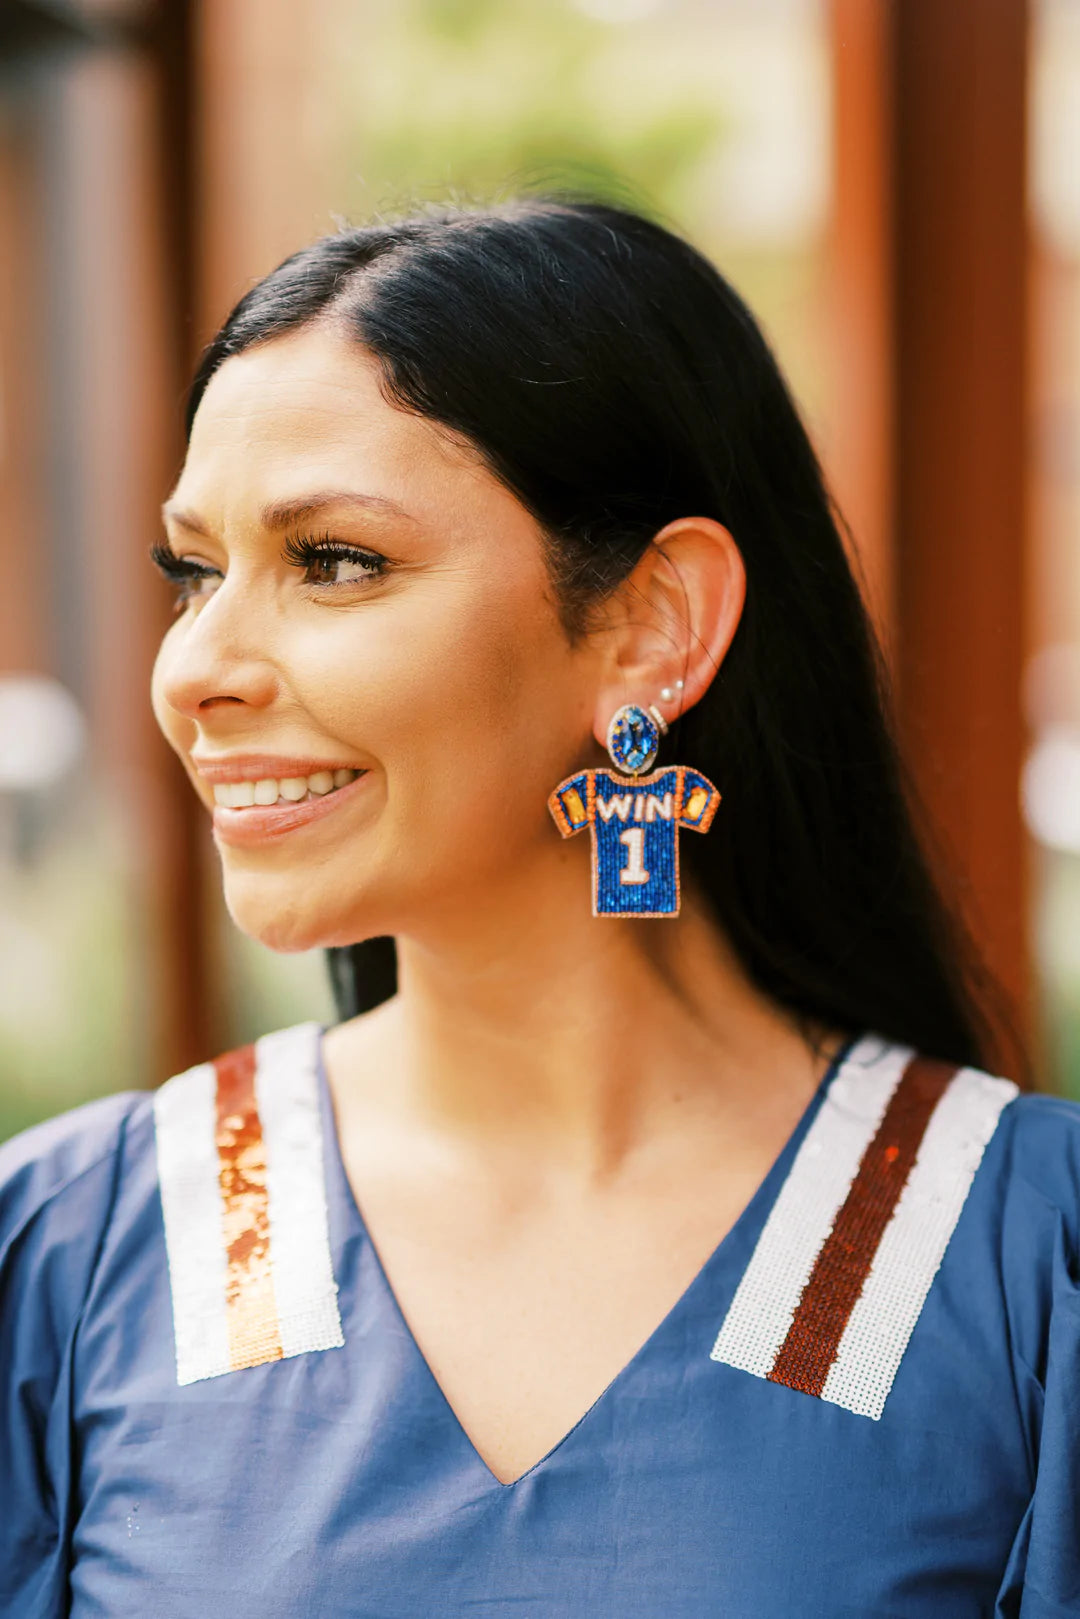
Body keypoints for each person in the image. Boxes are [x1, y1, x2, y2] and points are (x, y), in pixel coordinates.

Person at [1, 197, 1076, 1619]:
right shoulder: (72, 1259)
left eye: (333, 561)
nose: (196, 669)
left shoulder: (1023, 1262)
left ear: (650, 626)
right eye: (194, 573)